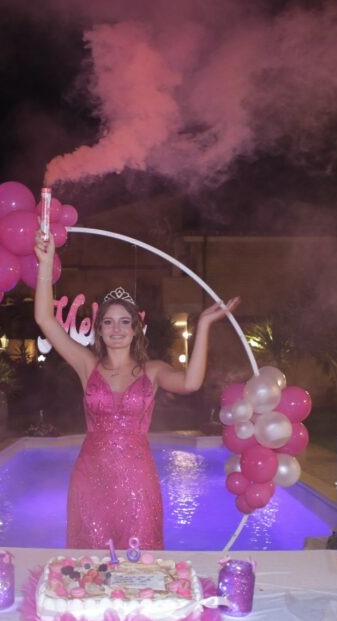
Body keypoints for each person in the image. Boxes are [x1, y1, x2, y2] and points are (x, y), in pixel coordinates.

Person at [33, 231, 238, 549]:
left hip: (136, 478)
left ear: (135, 328)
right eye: (109, 323)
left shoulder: (152, 371)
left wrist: (204, 327)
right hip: (90, 477)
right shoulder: (88, 366)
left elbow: (191, 383)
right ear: (99, 329)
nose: (116, 330)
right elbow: (45, 319)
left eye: (124, 322)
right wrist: (45, 264)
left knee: (140, 559)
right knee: (92, 561)